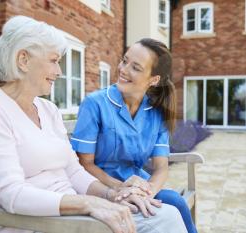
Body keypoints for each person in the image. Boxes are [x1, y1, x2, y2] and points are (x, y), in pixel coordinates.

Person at [0, 16, 187, 233]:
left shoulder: (48, 110)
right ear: (23, 60)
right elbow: (12, 194)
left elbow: (74, 171)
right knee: (164, 221)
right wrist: (89, 204)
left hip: (73, 215)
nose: (59, 72)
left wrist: (113, 195)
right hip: (33, 223)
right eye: (54, 61)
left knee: (167, 214)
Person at [71, 38, 198, 233]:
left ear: (153, 80)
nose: (123, 69)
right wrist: (122, 189)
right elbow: (84, 163)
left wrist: (146, 193)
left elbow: (161, 168)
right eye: (124, 60)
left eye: (136, 68)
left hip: (137, 187)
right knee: (171, 206)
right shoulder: (94, 104)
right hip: (100, 188)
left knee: (175, 201)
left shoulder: (156, 112)